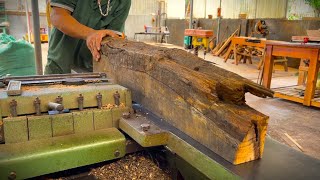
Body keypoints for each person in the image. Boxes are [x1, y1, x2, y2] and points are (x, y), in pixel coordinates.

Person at [45, 0, 131, 74]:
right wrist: (90, 34)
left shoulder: (123, 2)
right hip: (60, 65)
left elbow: (112, 36)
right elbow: (58, 16)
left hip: (92, 71)